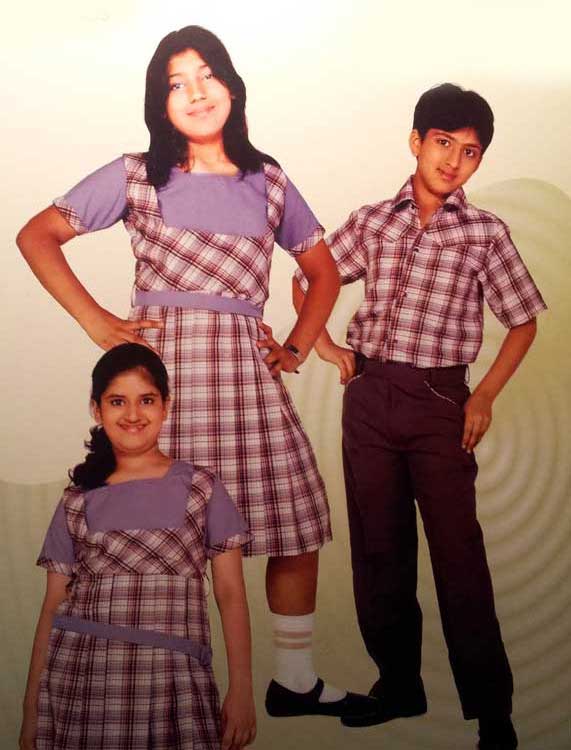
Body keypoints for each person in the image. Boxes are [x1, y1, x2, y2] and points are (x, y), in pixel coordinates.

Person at [17, 25, 373, 721]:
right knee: (155, 532)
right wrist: (95, 321)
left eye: (207, 74)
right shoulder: (133, 174)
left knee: (297, 522)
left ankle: (293, 680)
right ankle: (149, 682)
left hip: (244, 379)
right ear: (160, 103)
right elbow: (38, 235)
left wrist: (297, 346)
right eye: (176, 83)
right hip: (167, 382)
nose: (196, 91)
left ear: (232, 85)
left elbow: (323, 271)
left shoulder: (268, 180)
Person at [293, 83, 547, 749]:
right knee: (379, 550)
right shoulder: (373, 221)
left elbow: (523, 322)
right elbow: (311, 275)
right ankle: (399, 684)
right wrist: (325, 347)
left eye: (470, 151)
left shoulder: (485, 234)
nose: (453, 161)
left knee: (459, 556)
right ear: (415, 142)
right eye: (442, 143)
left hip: (440, 403)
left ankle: (492, 712)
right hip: (370, 398)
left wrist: (482, 396)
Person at [19, 343, 255, 750]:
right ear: (96, 410)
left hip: (175, 682)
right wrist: (32, 711)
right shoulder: (77, 498)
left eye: (146, 400)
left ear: (166, 406)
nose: (132, 414)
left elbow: (231, 594)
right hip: (85, 682)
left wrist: (242, 689)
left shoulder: (202, 487)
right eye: (117, 401)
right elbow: (52, 606)